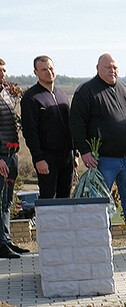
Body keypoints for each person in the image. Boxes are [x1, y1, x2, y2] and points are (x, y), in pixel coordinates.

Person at [69, 54, 126, 250]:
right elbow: (77, 123)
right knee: (101, 201)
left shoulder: (124, 89)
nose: (112, 71)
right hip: (104, 159)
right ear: (98, 67)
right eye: (108, 67)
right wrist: (84, 151)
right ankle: (101, 239)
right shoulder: (87, 91)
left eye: (115, 67)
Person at [20, 56, 75, 200]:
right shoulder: (31, 98)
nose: (48, 72)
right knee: (48, 199)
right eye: (44, 69)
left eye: (51, 68)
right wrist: (39, 159)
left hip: (67, 157)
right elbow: (30, 132)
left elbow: (70, 126)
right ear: (35, 72)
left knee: (65, 198)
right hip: (47, 158)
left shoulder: (61, 94)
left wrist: (75, 154)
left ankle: (64, 224)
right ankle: (48, 224)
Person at [0, 58, 27, 259]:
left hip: (11, 155)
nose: (3, 74)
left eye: (4, 70)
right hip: (0, 157)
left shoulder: (5, 94)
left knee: (7, 201)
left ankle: (6, 240)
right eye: (0, 71)